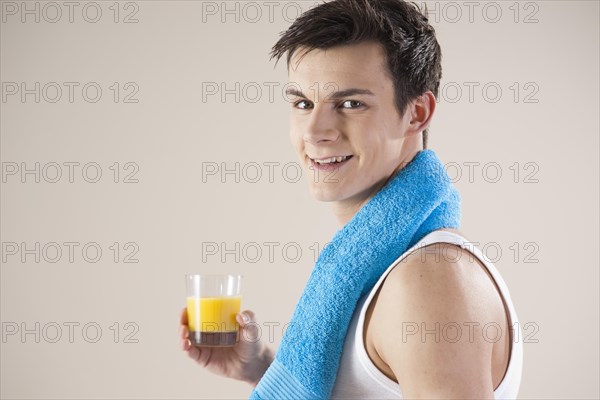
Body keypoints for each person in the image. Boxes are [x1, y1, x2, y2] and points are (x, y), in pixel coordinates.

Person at [179, 0, 523, 398]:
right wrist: (264, 371)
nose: (315, 131)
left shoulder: (427, 281)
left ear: (417, 113)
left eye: (351, 104)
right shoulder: (386, 268)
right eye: (303, 103)